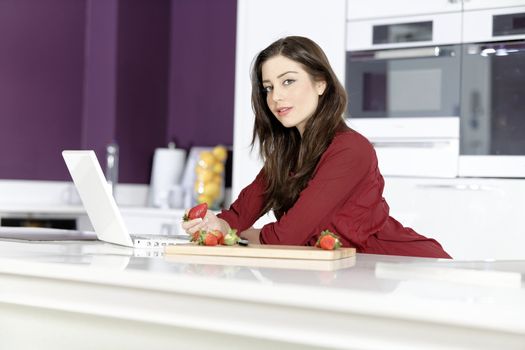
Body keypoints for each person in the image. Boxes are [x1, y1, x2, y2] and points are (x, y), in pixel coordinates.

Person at [182, 36, 451, 259]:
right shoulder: (287, 154)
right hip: (340, 276)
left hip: (400, 266)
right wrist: (213, 225)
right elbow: (240, 214)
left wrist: (235, 236)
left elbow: (286, 238)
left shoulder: (350, 149)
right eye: (268, 88)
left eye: (288, 81)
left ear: (320, 83)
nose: (276, 97)